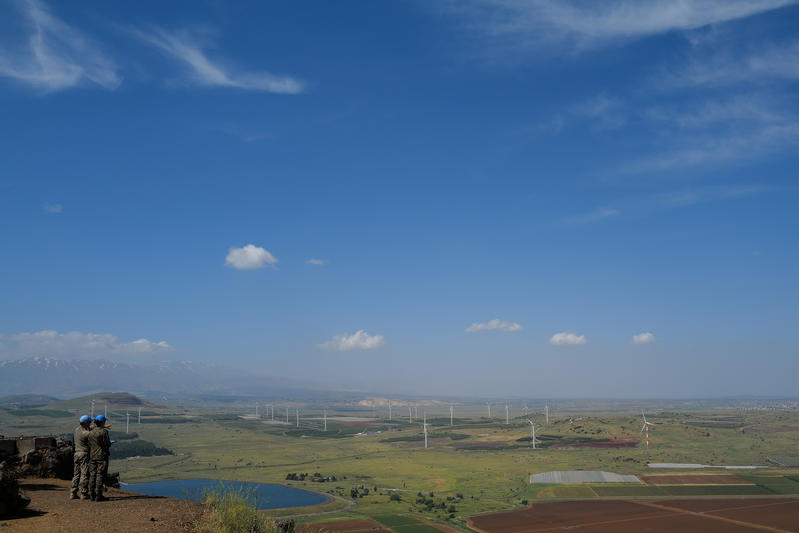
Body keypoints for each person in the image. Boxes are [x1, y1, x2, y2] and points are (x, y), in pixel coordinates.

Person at [88, 414, 112, 502]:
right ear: (102, 422)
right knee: (100, 475)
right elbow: (107, 444)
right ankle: (99, 495)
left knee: (92, 475)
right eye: (104, 421)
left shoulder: (91, 431)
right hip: (101, 455)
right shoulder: (104, 432)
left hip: (92, 455)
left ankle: (91, 494)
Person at [70, 415, 92, 500]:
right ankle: (84, 493)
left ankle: (73, 492)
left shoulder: (76, 430)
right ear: (86, 423)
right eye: (89, 422)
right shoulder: (86, 433)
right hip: (84, 454)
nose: (90, 424)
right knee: (84, 474)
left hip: (76, 453)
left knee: (76, 474)